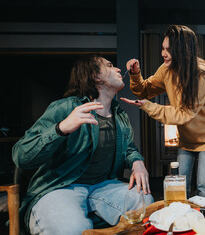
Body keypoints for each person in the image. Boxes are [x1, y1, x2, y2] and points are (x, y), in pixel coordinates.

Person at [12, 55, 153, 235]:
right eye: (110, 66)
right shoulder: (65, 108)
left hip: (104, 186)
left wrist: (137, 162)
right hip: (60, 187)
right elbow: (21, 155)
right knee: (72, 229)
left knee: (144, 202)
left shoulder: (120, 115)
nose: (118, 69)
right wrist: (61, 128)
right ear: (96, 76)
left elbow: (129, 148)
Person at [121, 25, 205, 200]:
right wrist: (135, 75)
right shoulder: (166, 69)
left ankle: (201, 226)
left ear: (183, 50)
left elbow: (184, 114)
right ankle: (180, 224)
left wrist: (148, 106)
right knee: (179, 186)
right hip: (187, 136)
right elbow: (144, 90)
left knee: (204, 190)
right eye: (163, 48)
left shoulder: (201, 74)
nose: (163, 53)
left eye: (169, 50)